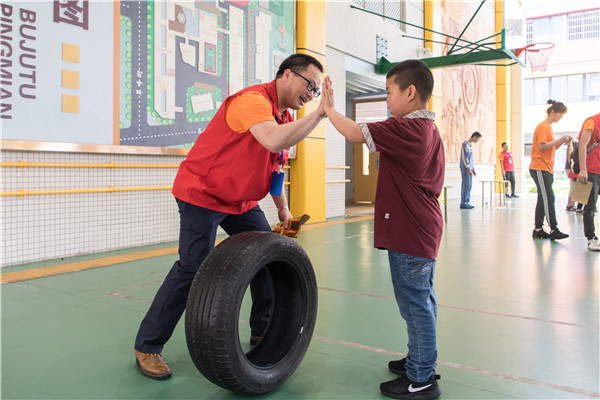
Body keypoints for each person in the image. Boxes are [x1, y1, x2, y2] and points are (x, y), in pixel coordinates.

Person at [133, 53, 327, 380]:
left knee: (265, 259)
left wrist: (282, 209)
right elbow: (271, 140)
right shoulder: (251, 102)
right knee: (192, 267)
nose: (311, 95)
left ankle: (261, 332)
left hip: (240, 201)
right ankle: (148, 344)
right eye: (311, 85)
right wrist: (320, 115)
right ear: (288, 75)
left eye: (317, 92)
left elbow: (275, 167)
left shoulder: (281, 118)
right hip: (203, 192)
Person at [321, 60, 444, 400]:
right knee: (422, 299)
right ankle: (420, 361)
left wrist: (329, 109)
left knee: (414, 304)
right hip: (423, 227)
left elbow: (354, 133)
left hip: (410, 230)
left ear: (410, 92)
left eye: (389, 93)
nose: (387, 101)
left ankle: (420, 379)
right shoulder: (429, 129)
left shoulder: (406, 129)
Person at [529, 100, 571, 240]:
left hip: (546, 167)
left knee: (543, 198)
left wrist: (560, 142)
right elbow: (541, 147)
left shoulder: (549, 128)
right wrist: (558, 139)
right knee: (549, 198)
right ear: (553, 112)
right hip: (539, 167)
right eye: (560, 114)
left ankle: (538, 229)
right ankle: (554, 229)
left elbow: (550, 147)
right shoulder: (543, 127)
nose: (561, 117)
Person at [575, 113, 600, 251]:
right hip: (591, 171)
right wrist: (583, 170)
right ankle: (591, 238)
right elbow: (582, 145)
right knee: (590, 207)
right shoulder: (592, 122)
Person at [459, 131, 481, 209]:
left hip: (470, 168)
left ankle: (467, 201)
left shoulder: (470, 145)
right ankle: (463, 202)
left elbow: (470, 158)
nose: (478, 140)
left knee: (469, 185)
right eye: (478, 138)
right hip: (465, 168)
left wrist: (472, 168)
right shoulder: (465, 144)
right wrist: (468, 167)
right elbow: (464, 157)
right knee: (466, 184)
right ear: (474, 136)